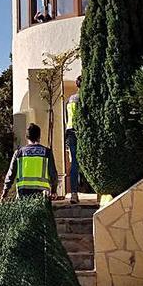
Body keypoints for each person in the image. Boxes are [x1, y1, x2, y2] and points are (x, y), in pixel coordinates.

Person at [2, 123, 57, 199]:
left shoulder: (19, 153)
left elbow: (11, 173)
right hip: (42, 192)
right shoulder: (47, 152)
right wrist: (54, 190)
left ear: (26, 137)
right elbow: (53, 173)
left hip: (23, 192)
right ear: (39, 137)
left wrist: (5, 191)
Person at [65, 76, 82, 204]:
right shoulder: (85, 98)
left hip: (71, 132)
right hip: (82, 132)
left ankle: (74, 194)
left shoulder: (69, 99)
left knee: (75, 162)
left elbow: (67, 119)